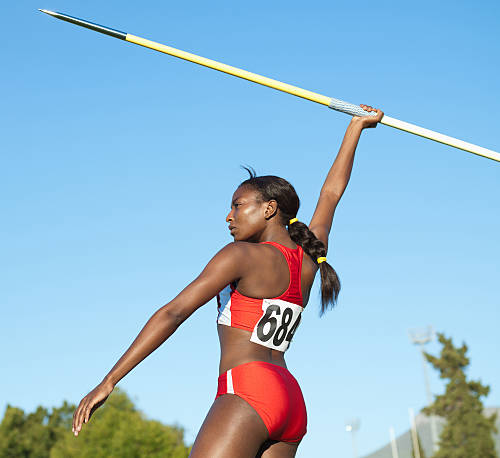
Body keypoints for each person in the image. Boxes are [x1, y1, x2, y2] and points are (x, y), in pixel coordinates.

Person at [71, 105, 384, 457]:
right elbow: (331, 194)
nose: (228, 216)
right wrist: (356, 128)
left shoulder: (240, 256)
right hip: (290, 400)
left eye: (237, 205)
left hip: (249, 390)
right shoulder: (310, 256)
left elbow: (173, 313)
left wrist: (109, 381)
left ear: (268, 209)